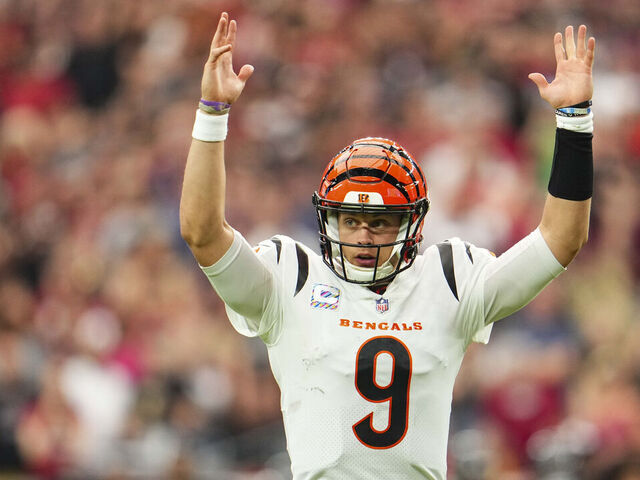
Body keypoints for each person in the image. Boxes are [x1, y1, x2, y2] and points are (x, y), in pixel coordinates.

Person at [179, 12, 596, 480]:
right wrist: (211, 116)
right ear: (328, 219)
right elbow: (203, 233)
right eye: (350, 220)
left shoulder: (449, 280)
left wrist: (574, 122)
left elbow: (561, 238)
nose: (362, 235)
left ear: (411, 225)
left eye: (379, 222)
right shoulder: (290, 278)